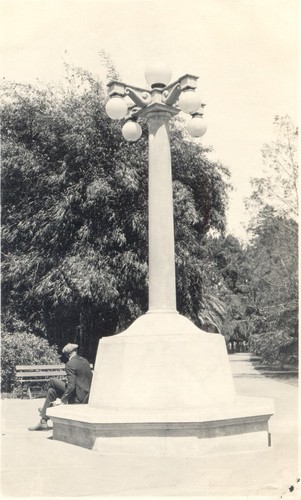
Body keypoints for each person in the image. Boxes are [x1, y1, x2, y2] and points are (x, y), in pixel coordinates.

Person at [28, 343, 93, 431]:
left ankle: (46, 410)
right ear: (75, 351)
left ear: (67, 355)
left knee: (52, 381)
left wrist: (62, 400)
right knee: (52, 391)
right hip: (86, 395)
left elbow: (71, 386)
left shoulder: (70, 364)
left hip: (78, 397)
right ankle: (43, 420)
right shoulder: (84, 361)